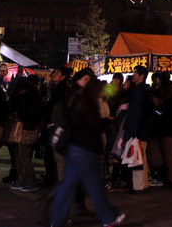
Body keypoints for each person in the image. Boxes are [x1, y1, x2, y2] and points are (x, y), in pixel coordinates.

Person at [50, 69, 125, 227]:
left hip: (72, 146)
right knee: (94, 184)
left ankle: (57, 220)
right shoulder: (85, 99)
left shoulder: (71, 96)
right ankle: (108, 217)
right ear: (85, 79)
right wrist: (106, 121)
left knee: (68, 184)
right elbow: (94, 124)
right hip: (85, 147)